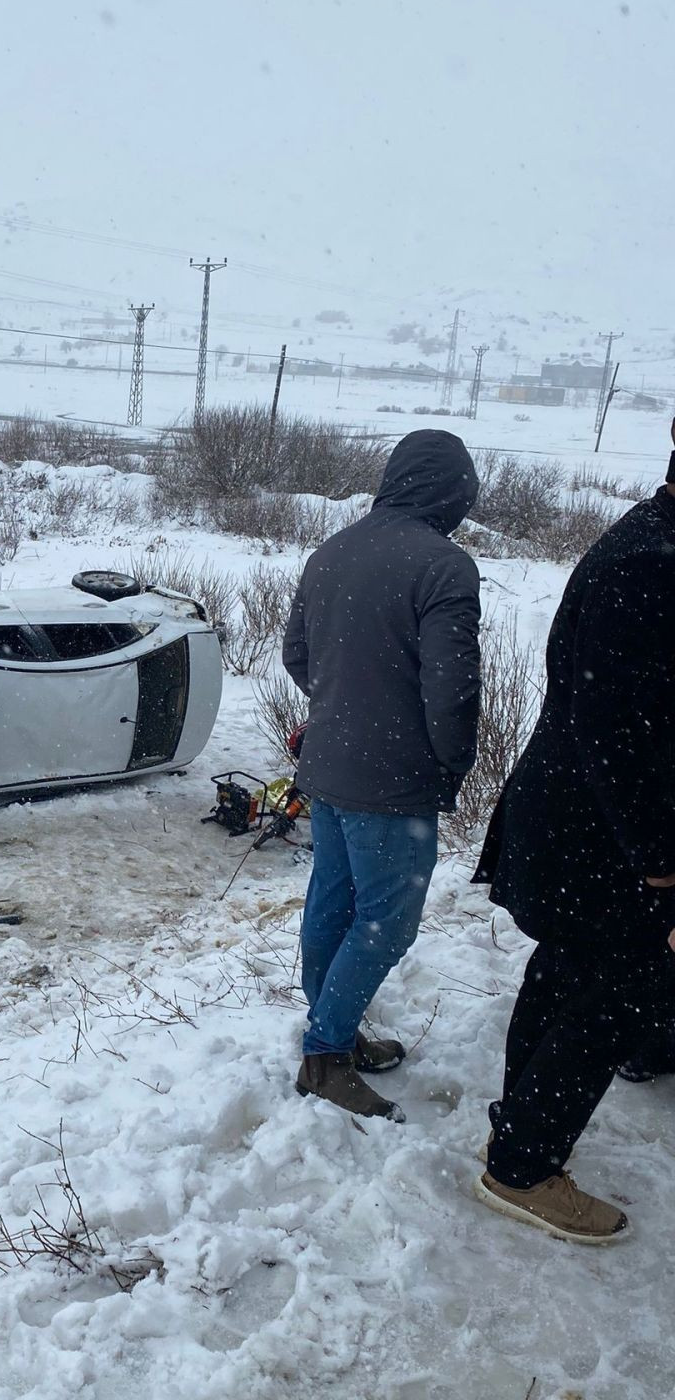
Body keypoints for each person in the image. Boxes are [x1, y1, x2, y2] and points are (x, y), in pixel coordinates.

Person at [473, 436, 675, 1243]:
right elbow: (620, 735)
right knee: (607, 997)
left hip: (587, 828)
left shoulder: (651, 540)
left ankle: (516, 1136)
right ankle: (522, 1165)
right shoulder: (651, 566)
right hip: (602, 838)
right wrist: (662, 867)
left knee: (565, 977)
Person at [283, 428, 481, 1122]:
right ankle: (327, 1053)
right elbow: (451, 694)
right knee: (386, 922)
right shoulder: (443, 566)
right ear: (455, 492)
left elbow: (296, 654)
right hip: (393, 782)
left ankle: (330, 1028)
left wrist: (344, 706)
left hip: (331, 769)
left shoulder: (333, 550)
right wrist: (451, 760)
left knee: (332, 905)